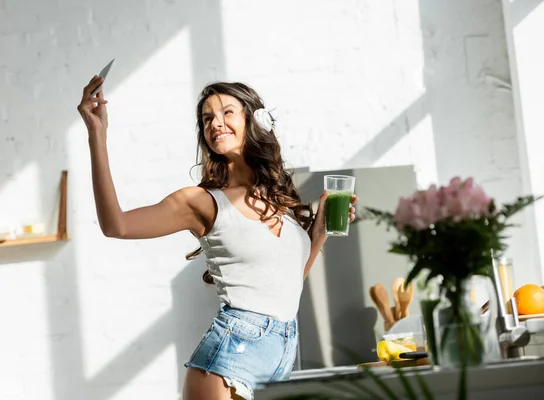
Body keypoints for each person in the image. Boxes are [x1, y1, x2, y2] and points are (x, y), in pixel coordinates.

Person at [77, 76, 358, 400]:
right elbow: (117, 225)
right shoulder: (201, 201)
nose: (215, 123)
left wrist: (318, 233)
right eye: (207, 118)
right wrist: (97, 135)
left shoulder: (277, 200)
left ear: (252, 120)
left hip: (282, 351)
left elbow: (285, 283)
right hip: (231, 355)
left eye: (227, 112)